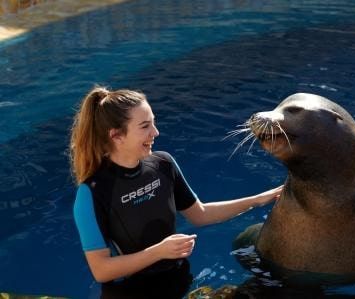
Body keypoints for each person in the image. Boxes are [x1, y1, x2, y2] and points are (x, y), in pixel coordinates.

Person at [70, 86, 283, 299]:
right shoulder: (92, 192)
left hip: (177, 279)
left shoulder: (163, 164)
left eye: (153, 122)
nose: (155, 132)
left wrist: (256, 200)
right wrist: (159, 252)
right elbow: (101, 270)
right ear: (116, 135)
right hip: (129, 292)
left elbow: (200, 214)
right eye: (145, 126)